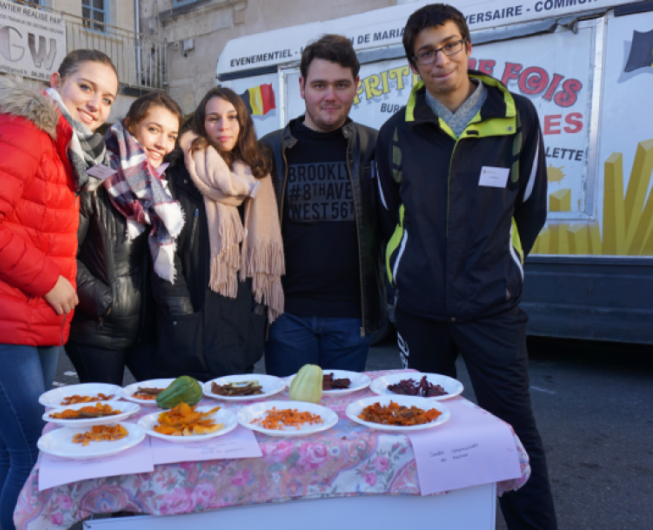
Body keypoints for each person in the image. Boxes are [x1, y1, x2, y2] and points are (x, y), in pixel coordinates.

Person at [374, 5, 555, 529]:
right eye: (426, 52)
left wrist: (502, 269)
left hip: (491, 309)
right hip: (420, 313)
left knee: (513, 433)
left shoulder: (517, 115)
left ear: (468, 47)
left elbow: (531, 207)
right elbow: (389, 217)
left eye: (450, 44)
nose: (441, 59)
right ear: (414, 63)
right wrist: (406, 279)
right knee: (426, 432)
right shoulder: (396, 133)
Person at [0, 49, 118, 530]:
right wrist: (49, 281)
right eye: (86, 87)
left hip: (34, 317)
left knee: (14, 444)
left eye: (106, 98)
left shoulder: (65, 144)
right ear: (56, 80)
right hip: (0, 318)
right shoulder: (24, 129)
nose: (95, 104)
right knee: (34, 453)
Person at [260, 34, 385, 377]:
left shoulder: (376, 146)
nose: (330, 96)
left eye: (341, 84)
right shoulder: (270, 150)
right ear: (302, 87)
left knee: (344, 420)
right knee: (288, 417)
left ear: (356, 85)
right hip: (286, 315)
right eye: (319, 85)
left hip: (351, 316)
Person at [151, 87, 284, 381]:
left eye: (232, 117)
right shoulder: (178, 173)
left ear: (243, 123)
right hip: (192, 329)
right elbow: (163, 252)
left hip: (240, 330)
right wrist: (182, 314)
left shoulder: (256, 174)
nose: (224, 126)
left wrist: (257, 312)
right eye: (213, 118)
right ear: (201, 124)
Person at [67, 92, 184, 384]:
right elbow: (63, 253)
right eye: (154, 129)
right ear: (131, 126)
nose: (163, 144)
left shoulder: (160, 187)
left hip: (145, 329)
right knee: (104, 418)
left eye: (172, 135)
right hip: (100, 329)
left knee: (163, 406)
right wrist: (105, 302)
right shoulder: (96, 176)